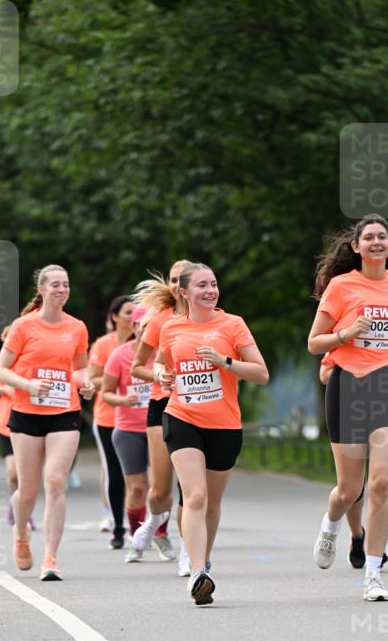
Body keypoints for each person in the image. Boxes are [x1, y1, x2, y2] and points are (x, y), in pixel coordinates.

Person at [307, 213, 388, 602]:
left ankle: (375, 573)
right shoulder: (342, 286)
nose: (377, 242)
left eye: (383, 237)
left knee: (381, 483)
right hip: (347, 384)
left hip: (387, 385)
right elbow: (315, 343)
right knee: (349, 489)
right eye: (369, 237)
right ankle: (331, 525)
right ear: (357, 247)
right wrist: (346, 333)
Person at [154, 262, 269, 605]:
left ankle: (203, 561)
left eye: (213, 284)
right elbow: (162, 362)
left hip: (224, 424)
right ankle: (196, 573)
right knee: (196, 497)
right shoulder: (171, 327)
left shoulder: (233, 325)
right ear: (184, 292)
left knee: (212, 504)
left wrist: (224, 362)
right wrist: (161, 375)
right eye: (202, 285)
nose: (210, 290)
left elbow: (261, 373)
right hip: (181, 417)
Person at [0, 264, 93, 581]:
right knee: (27, 489)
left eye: (66, 284)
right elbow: (2, 370)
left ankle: (50, 557)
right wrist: (27, 386)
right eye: (55, 285)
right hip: (26, 413)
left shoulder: (77, 328)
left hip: (64, 412)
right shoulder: (22, 327)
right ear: (42, 290)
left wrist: (86, 383)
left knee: (55, 482)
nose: (61, 290)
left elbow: (79, 368)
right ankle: (21, 534)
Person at [131, 259, 194, 576]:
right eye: (173, 279)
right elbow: (138, 366)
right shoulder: (160, 321)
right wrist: (159, 375)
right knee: (161, 491)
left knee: (191, 488)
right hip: (163, 406)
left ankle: (188, 552)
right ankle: (153, 522)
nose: (178, 284)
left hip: (198, 408)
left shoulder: (212, 318)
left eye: (184, 278)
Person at [101, 306, 162, 563]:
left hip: (159, 426)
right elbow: (105, 392)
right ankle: (136, 537)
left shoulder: (164, 354)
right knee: (137, 488)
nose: (146, 330)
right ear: (134, 327)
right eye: (142, 325)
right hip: (128, 429)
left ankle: (160, 533)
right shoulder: (120, 355)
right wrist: (123, 399)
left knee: (160, 489)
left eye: (152, 325)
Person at [318, 354, 388, 570]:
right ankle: (356, 534)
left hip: (384, 406)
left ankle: (374, 554)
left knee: (381, 482)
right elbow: (325, 374)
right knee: (352, 489)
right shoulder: (348, 335)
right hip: (350, 409)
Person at [88, 296, 132, 549]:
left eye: (136, 313)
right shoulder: (103, 345)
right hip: (108, 417)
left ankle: (144, 524)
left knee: (141, 475)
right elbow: (91, 380)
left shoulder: (145, 345)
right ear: (115, 316)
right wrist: (113, 376)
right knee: (115, 471)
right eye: (127, 313)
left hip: (139, 417)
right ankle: (117, 523)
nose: (132, 317)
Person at [0, 326, 35, 529]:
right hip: (6, 422)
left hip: (28, 419)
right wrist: (8, 387)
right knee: (13, 473)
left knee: (27, 473)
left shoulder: (30, 360)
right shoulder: (6, 363)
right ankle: (16, 503)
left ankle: (23, 510)